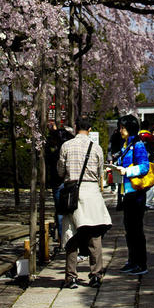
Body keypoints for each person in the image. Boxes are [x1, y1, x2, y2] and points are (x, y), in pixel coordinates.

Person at [57, 117, 112, 289]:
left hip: (71, 192)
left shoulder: (66, 146)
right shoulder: (96, 148)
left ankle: (71, 276)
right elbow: (100, 171)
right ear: (89, 130)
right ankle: (96, 274)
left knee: (71, 235)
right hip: (91, 193)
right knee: (94, 235)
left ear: (75, 128)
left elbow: (60, 170)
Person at [114, 114, 150, 275]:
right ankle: (132, 260)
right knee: (129, 228)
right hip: (127, 191)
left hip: (136, 192)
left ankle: (141, 263)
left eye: (122, 127)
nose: (120, 130)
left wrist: (127, 170)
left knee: (136, 228)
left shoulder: (138, 145)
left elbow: (144, 167)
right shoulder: (126, 144)